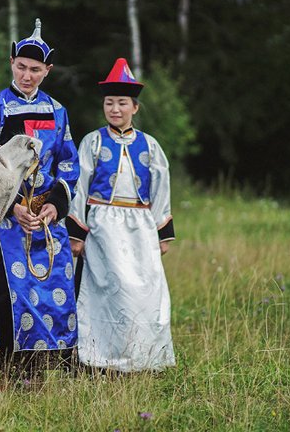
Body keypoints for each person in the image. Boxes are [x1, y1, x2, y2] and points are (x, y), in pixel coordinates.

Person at [0, 19, 80, 387]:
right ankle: (0, 377)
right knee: (7, 296)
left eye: (36, 70)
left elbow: (67, 163)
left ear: (47, 71)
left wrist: (56, 206)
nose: (27, 75)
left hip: (47, 219)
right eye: (21, 67)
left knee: (52, 293)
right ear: (12, 63)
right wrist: (13, 206)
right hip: (6, 220)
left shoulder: (58, 111)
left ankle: (42, 375)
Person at [66, 58, 176, 373]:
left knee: (144, 293)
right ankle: (98, 361)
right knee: (103, 293)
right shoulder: (93, 141)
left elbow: (161, 190)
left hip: (140, 229)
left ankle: (142, 359)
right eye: (109, 102)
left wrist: (162, 233)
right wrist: (77, 233)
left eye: (122, 103)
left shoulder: (151, 146)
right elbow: (79, 188)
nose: (115, 109)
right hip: (102, 228)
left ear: (135, 108)